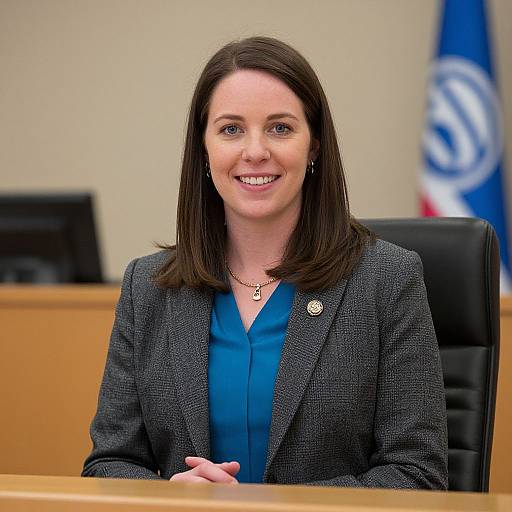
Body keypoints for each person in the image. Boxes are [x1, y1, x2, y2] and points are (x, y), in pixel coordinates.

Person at [82, 36, 448, 488]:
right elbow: (109, 464)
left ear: (313, 146)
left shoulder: (386, 280)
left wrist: (265, 506)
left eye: (280, 128)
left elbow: (417, 474)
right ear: (204, 149)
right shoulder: (149, 287)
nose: (255, 151)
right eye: (231, 129)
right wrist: (171, 496)